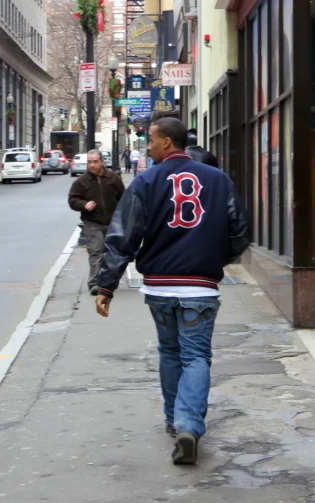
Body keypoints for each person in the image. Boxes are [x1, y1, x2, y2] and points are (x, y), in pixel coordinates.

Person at [94, 117, 249, 465]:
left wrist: (107, 284)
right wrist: (216, 259)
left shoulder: (147, 180)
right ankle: (188, 424)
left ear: (167, 143)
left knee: (169, 351)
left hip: (160, 285)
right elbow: (240, 231)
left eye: (150, 140)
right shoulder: (218, 179)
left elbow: (123, 235)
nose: (147, 146)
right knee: (196, 355)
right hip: (201, 287)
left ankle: (172, 420)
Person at [68, 150, 125, 296]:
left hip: (112, 223)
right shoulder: (82, 181)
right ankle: (94, 283)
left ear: (102, 162)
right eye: (89, 162)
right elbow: (72, 200)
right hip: (92, 222)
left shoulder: (113, 178)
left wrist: (122, 217)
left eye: (95, 162)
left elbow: (124, 199)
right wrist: (84, 205)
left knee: (112, 254)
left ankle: (109, 281)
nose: (92, 165)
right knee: (96, 252)